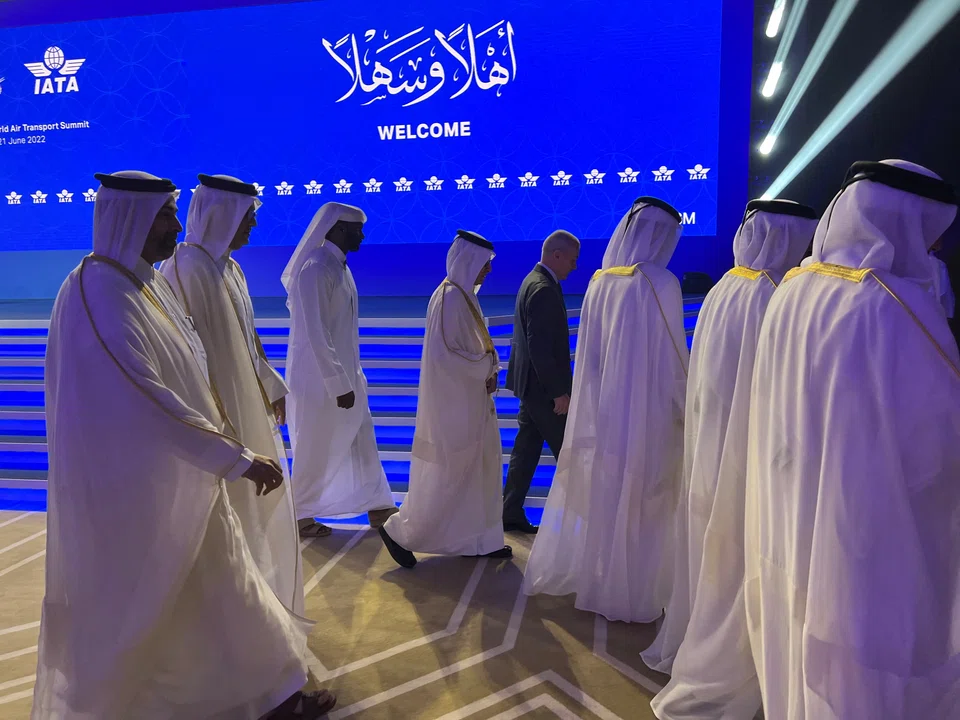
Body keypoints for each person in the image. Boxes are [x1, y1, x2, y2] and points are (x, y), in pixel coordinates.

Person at [33, 171, 335, 719]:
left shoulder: (137, 283)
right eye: (167, 216)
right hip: (143, 490)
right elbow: (143, 397)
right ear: (135, 221)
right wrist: (234, 457)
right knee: (167, 605)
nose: (177, 224)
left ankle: (274, 693)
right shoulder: (97, 293)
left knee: (223, 586)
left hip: (182, 475)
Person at [744, 160, 960, 720]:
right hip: (862, 530)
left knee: (800, 644)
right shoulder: (892, 305)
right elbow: (935, 445)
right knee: (860, 672)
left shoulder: (791, 288)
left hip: (790, 512)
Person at [646, 199, 818, 718]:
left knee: (711, 556)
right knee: (740, 561)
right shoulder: (770, 294)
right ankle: (734, 657)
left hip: (712, 450)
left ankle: (702, 636)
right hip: (748, 456)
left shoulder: (725, 286)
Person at [522, 197, 688, 622]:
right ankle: (635, 592)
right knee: (645, 501)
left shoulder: (600, 281)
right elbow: (673, 362)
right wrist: (689, 406)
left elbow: (588, 358)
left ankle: (601, 581)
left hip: (603, 414)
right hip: (647, 417)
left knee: (610, 496)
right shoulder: (658, 283)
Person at [160, 173, 303, 614]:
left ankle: (261, 609)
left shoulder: (230, 268)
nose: (252, 227)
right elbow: (187, 356)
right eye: (247, 217)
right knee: (228, 517)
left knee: (255, 512)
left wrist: (271, 386)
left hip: (249, 408)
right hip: (219, 419)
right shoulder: (185, 269)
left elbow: (247, 341)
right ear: (223, 216)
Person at [378, 230, 511, 568]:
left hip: (472, 405)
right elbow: (445, 357)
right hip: (455, 409)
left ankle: (481, 540)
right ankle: (400, 532)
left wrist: (489, 367)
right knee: (448, 478)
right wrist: (486, 367)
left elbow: (476, 348)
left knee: (477, 473)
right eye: (484, 264)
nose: (488, 271)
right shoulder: (449, 298)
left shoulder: (465, 296)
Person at [281, 202, 396, 537]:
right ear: (339, 229)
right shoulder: (316, 268)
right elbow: (314, 332)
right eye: (357, 229)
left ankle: (379, 505)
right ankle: (301, 513)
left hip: (346, 376)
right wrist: (336, 382)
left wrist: (349, 378)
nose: (362, 234)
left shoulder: (339, 267)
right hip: (321, 380)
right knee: (315, 445)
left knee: (362, 438)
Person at [503, 230, 580, 534]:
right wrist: (558, 392)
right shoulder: (544, 288)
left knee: (526, 450)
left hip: (530, 388)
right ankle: (583, 524)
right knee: (569, 453)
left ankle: (510, 510)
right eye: (572, 260)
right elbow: (540, 347)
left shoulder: (532, 281)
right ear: (557, 255)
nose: (575, 266)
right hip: (544, 392)